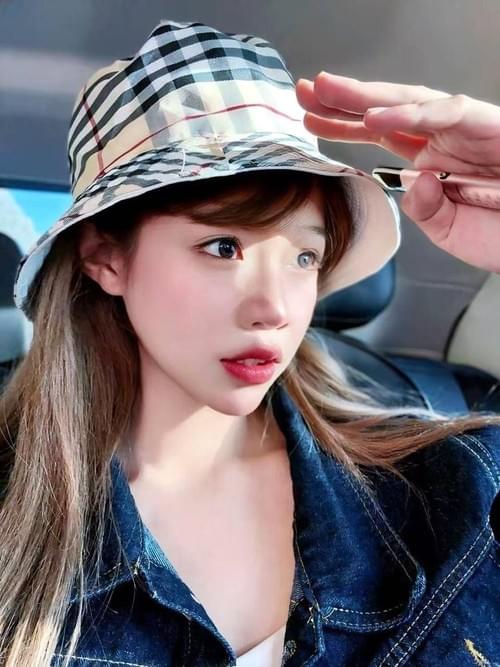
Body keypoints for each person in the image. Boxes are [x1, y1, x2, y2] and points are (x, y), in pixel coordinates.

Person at [0, 19, 499, 667]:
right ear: (105, 257)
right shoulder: (16, 521)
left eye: (303, 257)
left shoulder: (456, 486)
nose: (275, 309)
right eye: (223, 246)